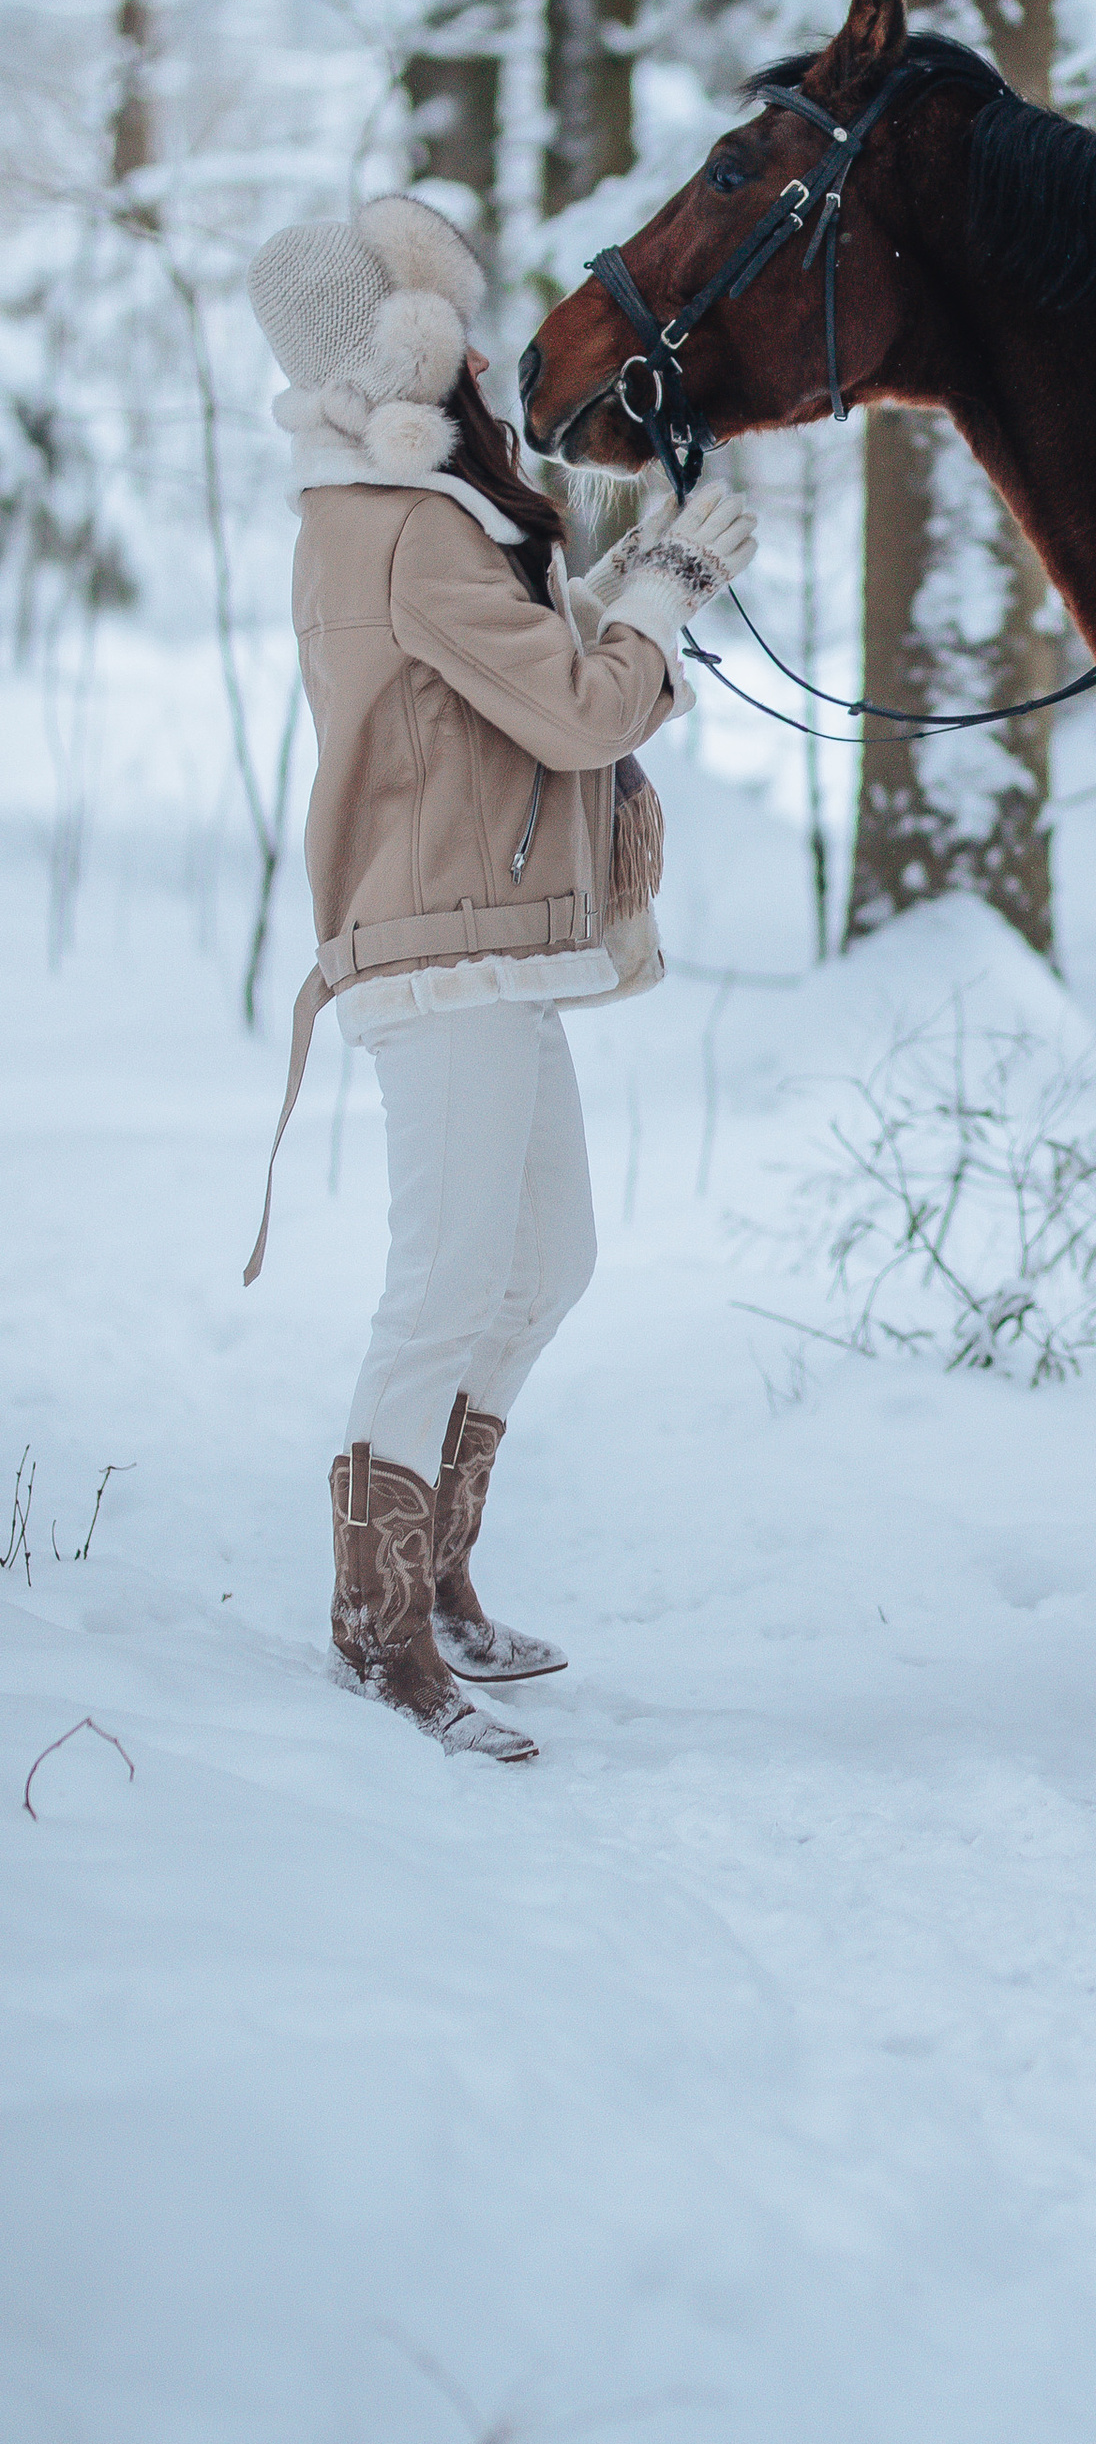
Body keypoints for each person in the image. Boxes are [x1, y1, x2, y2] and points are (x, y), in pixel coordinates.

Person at [243, 194, 756, 1763]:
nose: (481, 346)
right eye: (441, 326)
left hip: (491, 940)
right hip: (437, 947)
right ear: (388, 360)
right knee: (452, 1279)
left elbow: (506, 679)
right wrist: (659, 597)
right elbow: (577, 715)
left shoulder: (421, 512)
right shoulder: (397, 524)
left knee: (548, 1264)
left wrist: (636, 581)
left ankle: (441, 1565)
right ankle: (377, 1622)